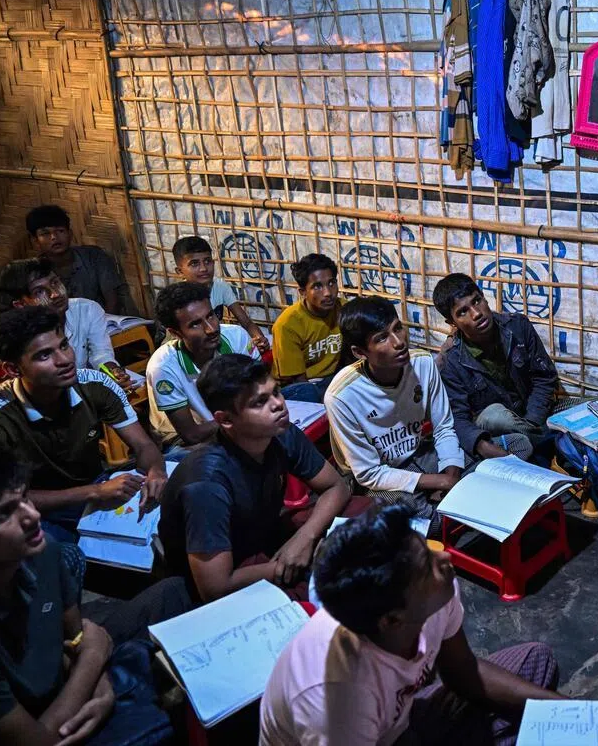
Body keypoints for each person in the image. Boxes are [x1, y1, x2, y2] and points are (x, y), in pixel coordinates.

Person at [259, 503, 563, 745]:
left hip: (403, 724)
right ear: (392, 620)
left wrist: (572, 711)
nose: (443, 558)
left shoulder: (432, 593)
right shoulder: (334, 698)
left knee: (535, 662)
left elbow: (464, 672)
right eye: (427, 566)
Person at [0, 455, 192, 746]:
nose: (33, 515)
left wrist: (103, 688)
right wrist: (95, 658)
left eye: (25, 498)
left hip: (72, 685)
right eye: (4, 514)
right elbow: (38, 740)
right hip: (43, 721)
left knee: (173, 591)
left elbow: (76, 640)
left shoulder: (44, 551)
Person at [157, 353, 367, 604]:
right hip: (230, 566)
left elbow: (336, 486)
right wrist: (302, 560)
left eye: (276, 392)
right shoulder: (207, 483)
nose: (278, 404)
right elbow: (215, 587)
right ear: (225, 420)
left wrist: (306, 538)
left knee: (364, 510)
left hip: (264, 537)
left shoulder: (280, 432)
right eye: (260, 402)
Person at [0, 307, 167, 542]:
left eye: (64, 345)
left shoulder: (94, 384)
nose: (64, 360)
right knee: (60, 553)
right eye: (44, 355)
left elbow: (143, 445)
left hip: (98, 488)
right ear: (13, 369)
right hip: (37, 510)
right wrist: (93, 493)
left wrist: (156, 471)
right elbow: (4, 498)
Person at [326, 297, 464, 520]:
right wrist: (438, 481)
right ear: (360, 352)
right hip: (378, 477)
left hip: (419, 454)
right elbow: (368, 474)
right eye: (382, 338)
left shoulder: (423, 364)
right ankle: (449, 527)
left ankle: (453, 517)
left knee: (511, 448)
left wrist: (451, 475)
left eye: (397, 328)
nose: (399, 342)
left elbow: (444, 428)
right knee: (410, 510)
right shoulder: (341, 395)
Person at [433, 273, 557, 462]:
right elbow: (457, 418)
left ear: (484, 297)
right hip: (495, 431)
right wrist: (481, 445)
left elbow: (544, 377)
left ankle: (541, 443)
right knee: (496, 416)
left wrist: (532, 422)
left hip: (534, 417)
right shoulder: (450, 361)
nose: (476, 313)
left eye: (477, 301)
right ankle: (550, 444)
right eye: (462, 312)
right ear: (452, 323)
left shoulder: (517, 327)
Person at [146, 281, 263, 448]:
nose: (211, 329)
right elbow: (191, 435)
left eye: (211, 316)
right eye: (195, 324)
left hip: (237, 421)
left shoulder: (236, 337)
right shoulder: (163, 366)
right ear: (175, 333)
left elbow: (260, 388)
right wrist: (241, 418)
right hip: (184, 441)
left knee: (305, 392)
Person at [0, 258, 132, 393]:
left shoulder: (87, 309)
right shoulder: (14, 337)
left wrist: (113, 372)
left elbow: (101, 354)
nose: (55, 294)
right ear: (20, 305)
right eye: (39, 291)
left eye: (55, 283)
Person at [25, 205, 131, 316]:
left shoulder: (93, 256)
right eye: (45, 234)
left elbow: (112, 301)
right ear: (35, 241)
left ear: (70, 233)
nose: (54, 237)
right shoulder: (33, 272)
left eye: (60, 231)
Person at [171, 235, 270, 353]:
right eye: (194, 264)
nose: (203, 268)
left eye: (207, 261)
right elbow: (182, 342)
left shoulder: (220, 286)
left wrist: (259, 339)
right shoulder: (177, 299)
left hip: (213, 345)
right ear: (180, 271)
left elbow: (246, 322)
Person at [271, 254, 343, 403]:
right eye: (317, 286)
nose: (328, 293)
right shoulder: (287, 325)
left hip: (334, 380)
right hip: (301, 386)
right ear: (302, 292)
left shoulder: (344, 309)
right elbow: (298, 382)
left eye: (331, 283)